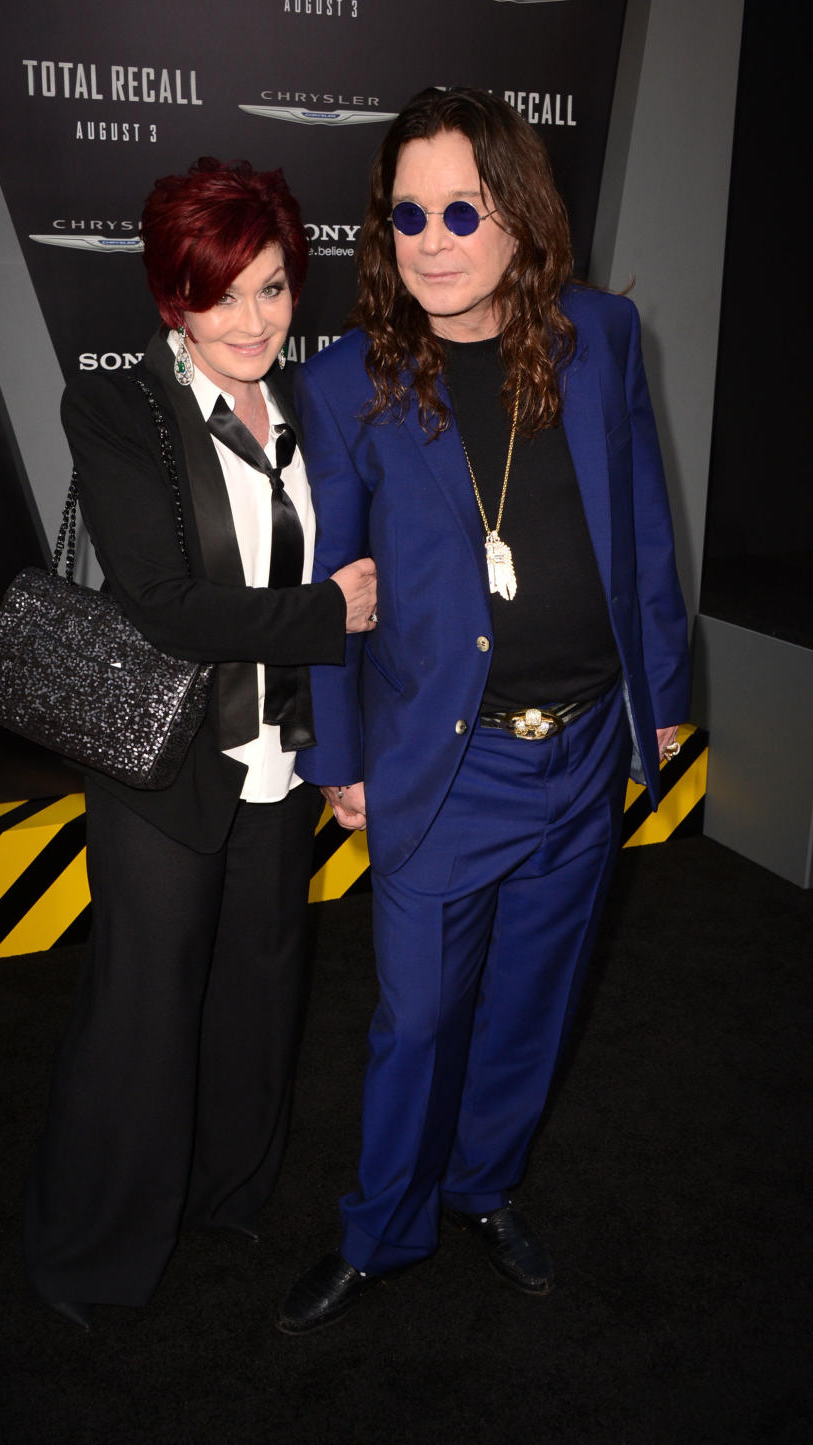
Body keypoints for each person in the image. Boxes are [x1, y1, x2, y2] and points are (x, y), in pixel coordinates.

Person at [276, 88, 689, 1334]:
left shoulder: (603, 338)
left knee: (531, 1001)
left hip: (580, 750)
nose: (434, 237)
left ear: (519, 214)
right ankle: (382, 1226)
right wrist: (339, 757)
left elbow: (647, 530)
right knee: (417, 1015)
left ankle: (485, 1186)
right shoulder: (350, 379)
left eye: (462, 207)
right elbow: (335, 593)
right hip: (439, 769)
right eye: (408, 212)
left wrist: (660, 695)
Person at [22, 157, 377, 1331]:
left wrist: (350, 732)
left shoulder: (322, 404)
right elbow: (164, 599)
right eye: (219, 293)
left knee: (262, 992)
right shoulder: (120, 410)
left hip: (284, 759)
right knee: (140, 1011)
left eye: (271, 288)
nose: (250, 320)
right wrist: (333, 612)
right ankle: (94, 1252)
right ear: (172, 298)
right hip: (167, 763)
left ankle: (229, 1197)